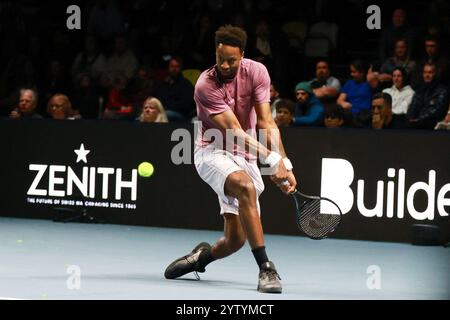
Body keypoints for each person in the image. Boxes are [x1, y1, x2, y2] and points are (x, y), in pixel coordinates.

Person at [164, 25, 298, 294]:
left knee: (235, 239)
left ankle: (200, 258)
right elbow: (234, 132)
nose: (224, 65)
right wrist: (271, 159)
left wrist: (284, 163)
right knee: (245, 186)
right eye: (220, 59)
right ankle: (266, 269)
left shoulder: (258, 72)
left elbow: (266, 121)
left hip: (246, 153)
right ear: (215, 53)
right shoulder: (205, 84)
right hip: (211, 151)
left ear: (243, 55)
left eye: (231, 60)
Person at [407, 63, 449, 129]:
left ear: (435, 74)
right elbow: (413, 106)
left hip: (433, 124)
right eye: (425, 72)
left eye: (430, 72)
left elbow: (438, 110)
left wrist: (419, 119)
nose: (427, 75)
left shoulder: (442, 90)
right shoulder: (419, 90)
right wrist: (410, 118)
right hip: (417, 123)